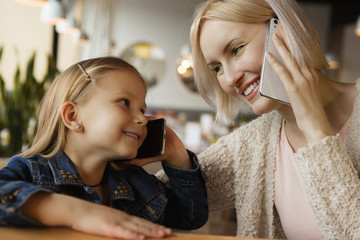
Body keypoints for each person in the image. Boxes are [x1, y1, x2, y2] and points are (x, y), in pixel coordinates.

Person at [141, 0, 360, 239]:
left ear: (282, 29)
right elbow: (147, 201)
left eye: (236, 49)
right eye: (217, 68)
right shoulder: (251, 145)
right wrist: (177, 157)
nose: (230, 78)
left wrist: (315, 129)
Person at [0, 57, 208, 240]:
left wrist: (177, 155)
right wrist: (79, 213)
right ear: (73, 117)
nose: (142, 119)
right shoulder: (33, 172)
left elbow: (190, 217)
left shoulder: (136, 182)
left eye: (143, 110)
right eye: (125, 102)